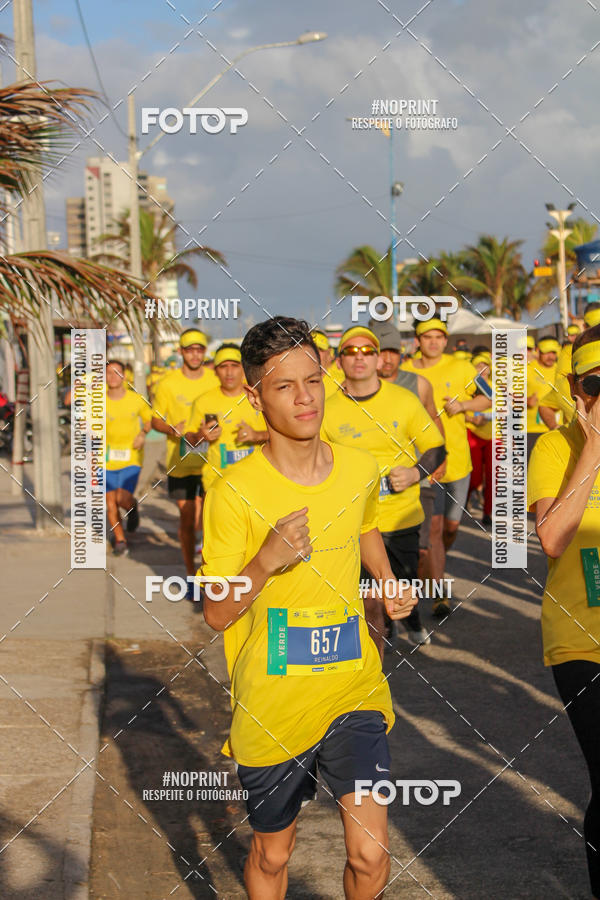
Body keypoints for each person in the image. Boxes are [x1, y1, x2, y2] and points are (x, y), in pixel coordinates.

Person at [200, 316, 416, 900]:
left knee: (370, 855)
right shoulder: (232, 491)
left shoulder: (357, 467)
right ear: (254, 397)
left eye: (313, 380)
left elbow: (366, 524)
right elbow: (216, 613)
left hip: (353, 688)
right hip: (273, 701)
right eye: (284, 386)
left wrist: (388, 580)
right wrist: (267, 559)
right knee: (273, 854)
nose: (305, 398)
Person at [528, 324, 600, 899]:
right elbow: (551, 538)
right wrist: (594, 447)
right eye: (596, 383)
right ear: (576, 388)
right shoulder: (555, 449)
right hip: (581, 639)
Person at [323, 325, 445, 651]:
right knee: (371, 603)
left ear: (379, 360)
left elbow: (436, 448)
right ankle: (373, 675)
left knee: (401, 590)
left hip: (401, 517)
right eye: (350, 351)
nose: (359, 357)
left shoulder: (404, 400)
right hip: (355, 525)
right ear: (339, 361)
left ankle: (412, 620)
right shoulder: (327, 409)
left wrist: (415, 473)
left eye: (368, 351)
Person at [401, 319, 491, 615]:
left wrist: (462, 407)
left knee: (451, 528)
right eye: (428, 337)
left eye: (440, 336)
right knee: (436, 527)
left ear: (446, 340)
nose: (434, 342)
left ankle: (431, 565)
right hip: (426, 463)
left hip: (459, 463)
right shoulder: (407, 371)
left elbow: (488, 397)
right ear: (418, 340)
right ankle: (439, 593)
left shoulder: (462, 368)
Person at [370, 320, 446, 581]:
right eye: (379, 351)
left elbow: (434, 419)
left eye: (392, 350)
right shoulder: (350, 390)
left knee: (419, 550)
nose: (386, 358)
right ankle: (389, 614)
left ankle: (412, 610)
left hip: (416, 480)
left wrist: (438, 460)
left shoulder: (418, 384)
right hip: (370, 486)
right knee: (373, 556)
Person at [151, 329, 219, 593]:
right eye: (189, 349)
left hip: (212, 462)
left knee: (208, 516)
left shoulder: (215, 380)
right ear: (181, 352)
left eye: (199, 349)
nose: (194, 354)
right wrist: (170, 428)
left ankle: (206, 567)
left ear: (204, 352)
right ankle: (190, 574)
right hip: (181, 461)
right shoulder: (168, 383)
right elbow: (155, 419)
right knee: (187, 518)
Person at [186, 343, 268, 492]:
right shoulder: (203, 402)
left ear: (243, 367)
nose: (229, 372)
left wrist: (256, 435)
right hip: (217, 481)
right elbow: (189, 440)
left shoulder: (259, 397)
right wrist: (201, 435)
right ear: (215, 371)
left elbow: (284, 433)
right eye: (223, 366)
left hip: (256, 479)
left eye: (234, 365)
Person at [105, 360, 152, 556]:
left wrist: (142, 434)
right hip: (104, 458)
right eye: (108, 373)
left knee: (121, 498)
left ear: (124, 376)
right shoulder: (96, 400)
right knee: (109, 501)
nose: (112, 376)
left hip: (131, 457)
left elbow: (149, 421)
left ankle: (132, 507)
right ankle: (120, 540)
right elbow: (69, 401)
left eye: (117, 372)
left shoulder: (136, 399)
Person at [465, 351, 493, 526]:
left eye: (485, 366)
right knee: (474, 476)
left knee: (492, 476)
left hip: (493, 437)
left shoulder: (496, 388)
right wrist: (470, 419)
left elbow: (505, 411)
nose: (482, 370)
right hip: (472, 433)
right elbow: (457, 409)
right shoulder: (467, 387)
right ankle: (465, 497)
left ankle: (487, 512)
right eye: (478, 366)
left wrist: (486, 418)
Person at [526, 336, 560, 459]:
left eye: (553, 352)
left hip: (556, 428)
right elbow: (506, 397)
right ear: (538, 351)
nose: (550, 356)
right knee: (531, 471)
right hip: (531, 430)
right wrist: (525, 401)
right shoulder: (527, 370)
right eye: (546, 353)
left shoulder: (561, 371)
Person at [312, 330, 344, 398]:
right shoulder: (292, 382)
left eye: (320, 349)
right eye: (311, 349)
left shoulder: (343, 382)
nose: (314, 353)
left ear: (330, 354)